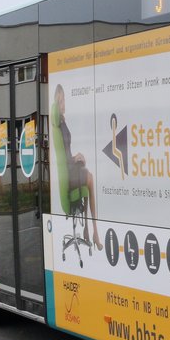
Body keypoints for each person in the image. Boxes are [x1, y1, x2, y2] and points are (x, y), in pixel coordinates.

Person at [54, 84, 102, 249]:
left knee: (86, 174)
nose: (63, 104)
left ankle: (88, 229)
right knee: (90, 178)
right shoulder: (59, 126)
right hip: (68, 174)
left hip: (69, 171)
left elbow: (65, 154)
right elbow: (64, 158)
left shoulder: (61, 123)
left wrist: (77, 157)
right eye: (60, 101)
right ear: (56, 104)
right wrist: (76, 158)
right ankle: (94, 232)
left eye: (64, 100)